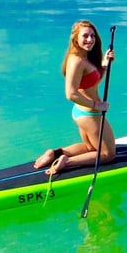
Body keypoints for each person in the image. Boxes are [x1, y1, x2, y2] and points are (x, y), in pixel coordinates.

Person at [34, 20, 116, 175]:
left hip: (81, 112)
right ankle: (66, 162)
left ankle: (55, 153)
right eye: (85, 36)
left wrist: (104, 64)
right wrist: (96, 105)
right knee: (108, 154)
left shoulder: (83, 57)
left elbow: (90, 83)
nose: (90, 40)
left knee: (91, 148)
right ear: (75, 39)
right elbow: (70, 93)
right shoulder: (77, 61)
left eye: (92, 36)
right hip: (90, 114)